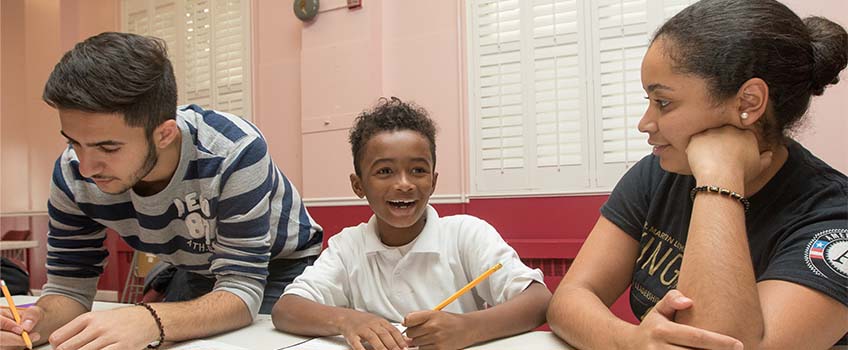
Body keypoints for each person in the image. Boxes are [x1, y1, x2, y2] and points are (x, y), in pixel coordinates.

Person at [546, 0, 848, 349]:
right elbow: (568, 299)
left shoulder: (833, 218)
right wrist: (629, 342)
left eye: (663, 102)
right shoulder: (658, 173)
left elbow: (716, 345)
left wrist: (719, 177)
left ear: (748, 102)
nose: (644, 124)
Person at [0, 32, 323, 349]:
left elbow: (241, 289)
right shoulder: (72, 172)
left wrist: (148, 318)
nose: (85, 167)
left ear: (164, 134)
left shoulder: (233, 151)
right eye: (74, 142)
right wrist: (36, 321)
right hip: (197, 268)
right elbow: (68, 289)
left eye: (108, 148)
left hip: (280, 266)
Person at [272, 97, 551, 350]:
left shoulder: (466, 234)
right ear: (359, 186)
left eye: (418, 170)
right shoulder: (348, 247)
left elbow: (539, 300)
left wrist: (469, 328)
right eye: (384, 171)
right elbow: (286, 309)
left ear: (433, 181)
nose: (404, 184)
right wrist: (348, 321)